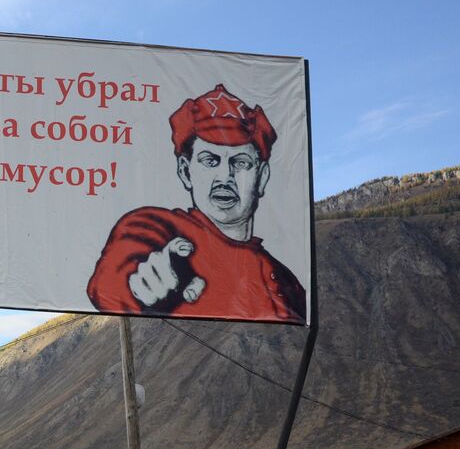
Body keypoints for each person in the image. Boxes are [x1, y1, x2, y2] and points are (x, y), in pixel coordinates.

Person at [86, 83, 306, 324]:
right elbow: (112, 283)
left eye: (240, 162)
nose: (225, 177)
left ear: (262, 177)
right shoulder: (160, 227)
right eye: (210, 161)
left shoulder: (286, 279)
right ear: (185, 172)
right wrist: (140, 286)